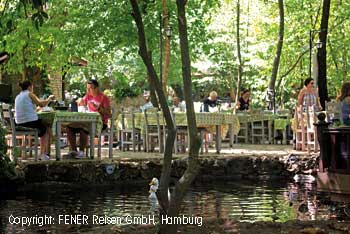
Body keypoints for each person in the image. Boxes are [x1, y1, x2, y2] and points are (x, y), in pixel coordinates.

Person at [66, 79, 111, 158]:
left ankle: (81, 152)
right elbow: (80, 101)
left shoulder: (104, 98)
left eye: (90, 88)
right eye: (87, 88)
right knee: (69, 127)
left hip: (100, 124)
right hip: (86, 121)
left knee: (84, 128)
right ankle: (74, 151)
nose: (88, 90)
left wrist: (99, 108)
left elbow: (109, 113)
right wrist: (79, 101)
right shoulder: (88, 96)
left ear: (96, 88)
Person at [14, 80, 55, 160]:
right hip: (29, 123)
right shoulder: (29, 94)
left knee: (43, 125)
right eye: (32, 87)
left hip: (19, 124)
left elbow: (29, 109)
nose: (33, 89)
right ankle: (43, 154)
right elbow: (42, 104)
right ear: (29, 87)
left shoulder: (18, 96)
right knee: (46, 128)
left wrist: (38, 108)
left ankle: (46, 150)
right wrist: (49, 98)